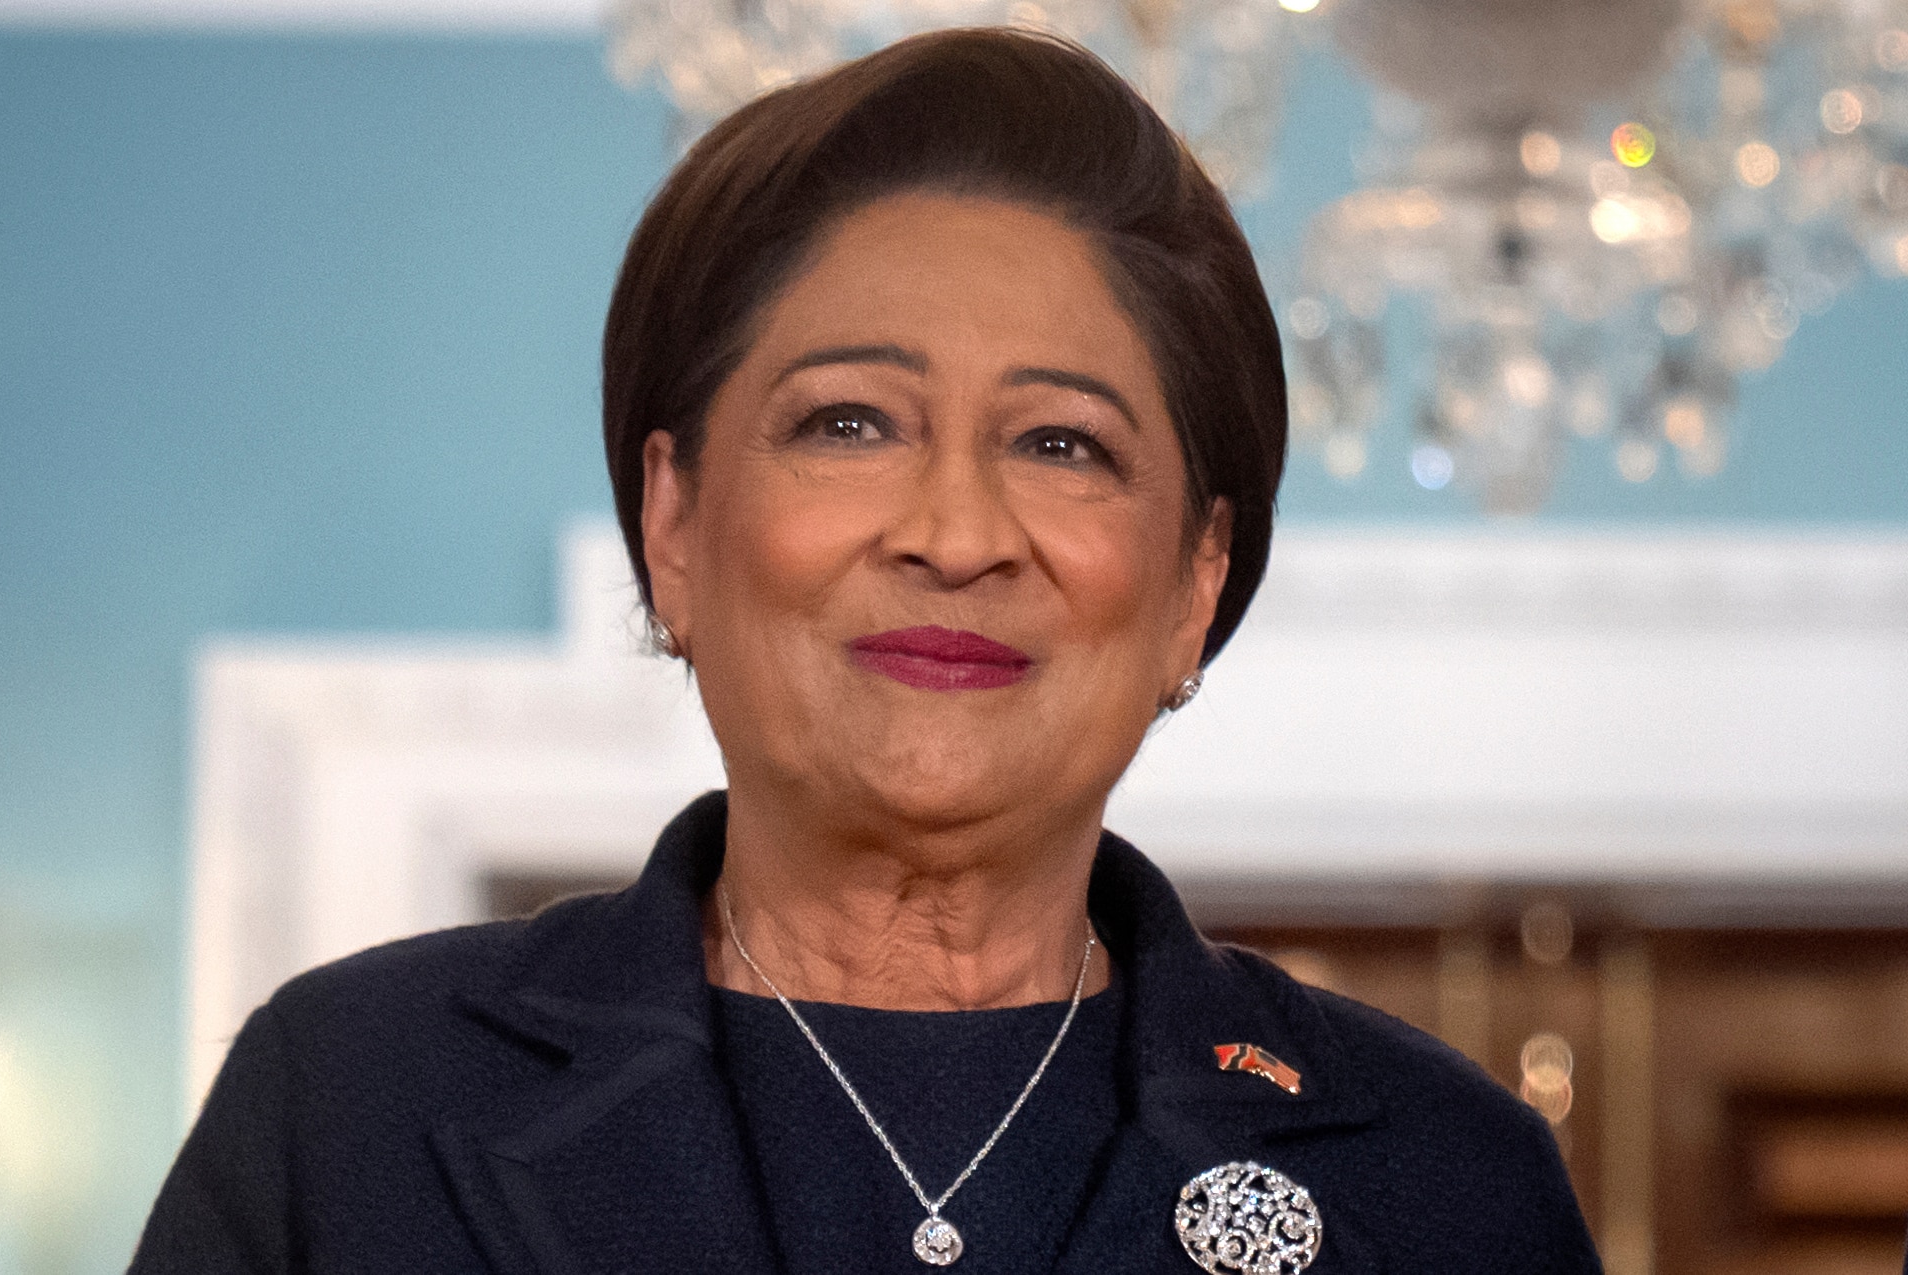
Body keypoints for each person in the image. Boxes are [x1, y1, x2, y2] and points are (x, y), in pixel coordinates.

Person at [130, 27, 1600, 1275]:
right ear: (677, 524)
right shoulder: (347, 1101)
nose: (957, 532)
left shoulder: (1443, 1177)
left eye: (1061, 443)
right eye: (849, 423)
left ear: (1190, 583)